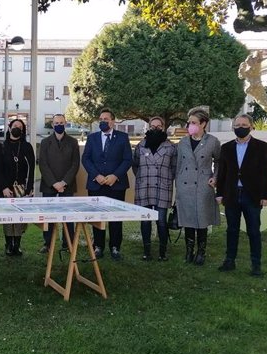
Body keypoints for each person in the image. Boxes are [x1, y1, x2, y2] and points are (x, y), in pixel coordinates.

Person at [216, 114, 267, 277]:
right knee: (231, 229)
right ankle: (229, 261)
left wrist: (266, 195)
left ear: (251, 126)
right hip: (232, 195)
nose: (240, 127)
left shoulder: (262, 147)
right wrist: (220, 193)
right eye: (237, 125)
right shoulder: (226, 148)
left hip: (252, 195)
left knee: (253, 230)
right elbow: (222, 173)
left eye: (244, 124)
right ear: (233, 127)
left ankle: (256, 265)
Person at [81, 108, 132, 260]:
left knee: (116, 217)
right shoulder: (92, 138)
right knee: (97, 217)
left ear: (113, 121)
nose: (103, 121)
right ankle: (98, 246)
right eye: (101, 119)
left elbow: (127, 159)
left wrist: (115, 175)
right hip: (96, 184)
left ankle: (115, 247)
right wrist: (96, 175)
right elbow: (86, 159)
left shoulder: (123, 137)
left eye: (106, 119)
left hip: (116, 184)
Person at [175, 107, 220, 265]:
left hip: (203, 185)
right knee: (187, 218)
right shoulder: (183, 142)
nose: (190, 125)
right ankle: (189, 251)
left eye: (194, 123)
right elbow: (178, 164)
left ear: (203, 124)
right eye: (189, 122)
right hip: (185, 184)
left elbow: (219, 162)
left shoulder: (212, 141)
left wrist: (215, 177)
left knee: (202, 219)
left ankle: (201, 252)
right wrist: (178, 184)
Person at [132, 116, 177, 261]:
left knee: (161, 221)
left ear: (163, 128)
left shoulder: (170, 147)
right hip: (144, 187)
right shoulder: (141, 145)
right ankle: (147, 252)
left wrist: (167, 179)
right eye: (153, 126)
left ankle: (162, 253)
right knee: (145, 221)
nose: (155, 128)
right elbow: (135, 165)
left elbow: (174, 167)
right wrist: (142, 178)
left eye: (158, 126)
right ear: (148, 127)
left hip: (163, 188)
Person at [38, 113, 80, 253]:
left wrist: (64, 182)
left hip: (67, 185)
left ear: (65, 123)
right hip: (49, 184)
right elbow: (43, 164)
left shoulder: (73, 142)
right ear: (52, 125)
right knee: (48, 216)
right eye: (56, 123)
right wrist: (54, 183)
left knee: (68, 216)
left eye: (61, 123)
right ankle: (48, 243)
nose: (59, 125)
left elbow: (75, 164)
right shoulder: (45, 142)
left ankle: (68, 243)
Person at [0, 118, 35, 256]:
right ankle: (8, 244)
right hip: (5, 188)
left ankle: (17, 245)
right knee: (7, 218)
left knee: (18, 218)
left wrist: (29, 188)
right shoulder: (1, 147)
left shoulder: (27, 147)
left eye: (20, 126)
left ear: (22, 130)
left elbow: (32, 168)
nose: (17, 127)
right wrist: (4, 187)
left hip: (21, 187)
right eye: (14, 125)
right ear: (10, 128)